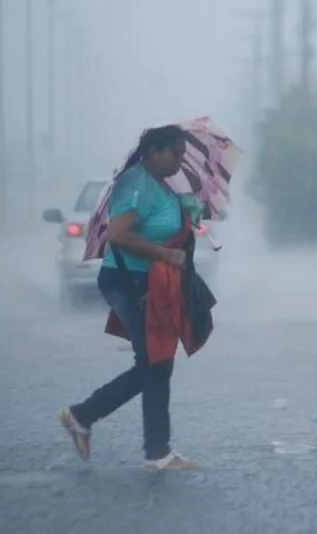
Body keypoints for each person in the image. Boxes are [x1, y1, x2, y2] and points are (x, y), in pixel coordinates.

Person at [59, 125, 199, 471]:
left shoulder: (159, 184)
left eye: (184, 154)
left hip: (148, 282)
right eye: (176, 153)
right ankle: (156, 451)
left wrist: (187, 208)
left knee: (155, 362)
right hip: (128, 282)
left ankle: (84, 416)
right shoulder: (136, 183)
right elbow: (119, 235)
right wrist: (166, 256)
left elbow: (159, 225)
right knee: (155, 362)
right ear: (153, 150)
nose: (181, 161)